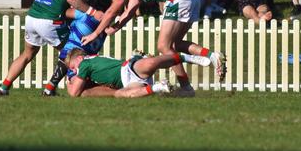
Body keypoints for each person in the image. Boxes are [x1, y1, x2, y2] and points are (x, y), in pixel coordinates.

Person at [81, 0, 227, 94]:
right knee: (174, 45)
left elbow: (111, 11)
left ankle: (186, 88)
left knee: (163, 46)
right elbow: (131, 10)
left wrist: (95, 33)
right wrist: (116, 27)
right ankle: (211, 56)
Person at [0, 0, 103, 96]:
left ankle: (3, 88)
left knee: (27, 54)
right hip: (49, 21)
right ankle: (50, 89)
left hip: (32, 16)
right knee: (73, 52)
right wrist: (92, 12)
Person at [64, 48, 213, 98]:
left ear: (79, 58)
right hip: (128, 82)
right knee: (122, 94)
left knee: (152, 63)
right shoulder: (86, 63)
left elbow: (74, 92)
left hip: (128, 68)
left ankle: (189, 57)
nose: (73, 70)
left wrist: (68, 81)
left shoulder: (84, 64)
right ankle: (158, 87)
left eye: (72, 66)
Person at [42, 0, 112, 96]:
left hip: (76, 51)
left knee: (74, 81)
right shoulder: (107, 20)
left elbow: (64, 13)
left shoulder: (83, 14)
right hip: (90, 52)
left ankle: (49, 89)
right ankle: (50, 89)